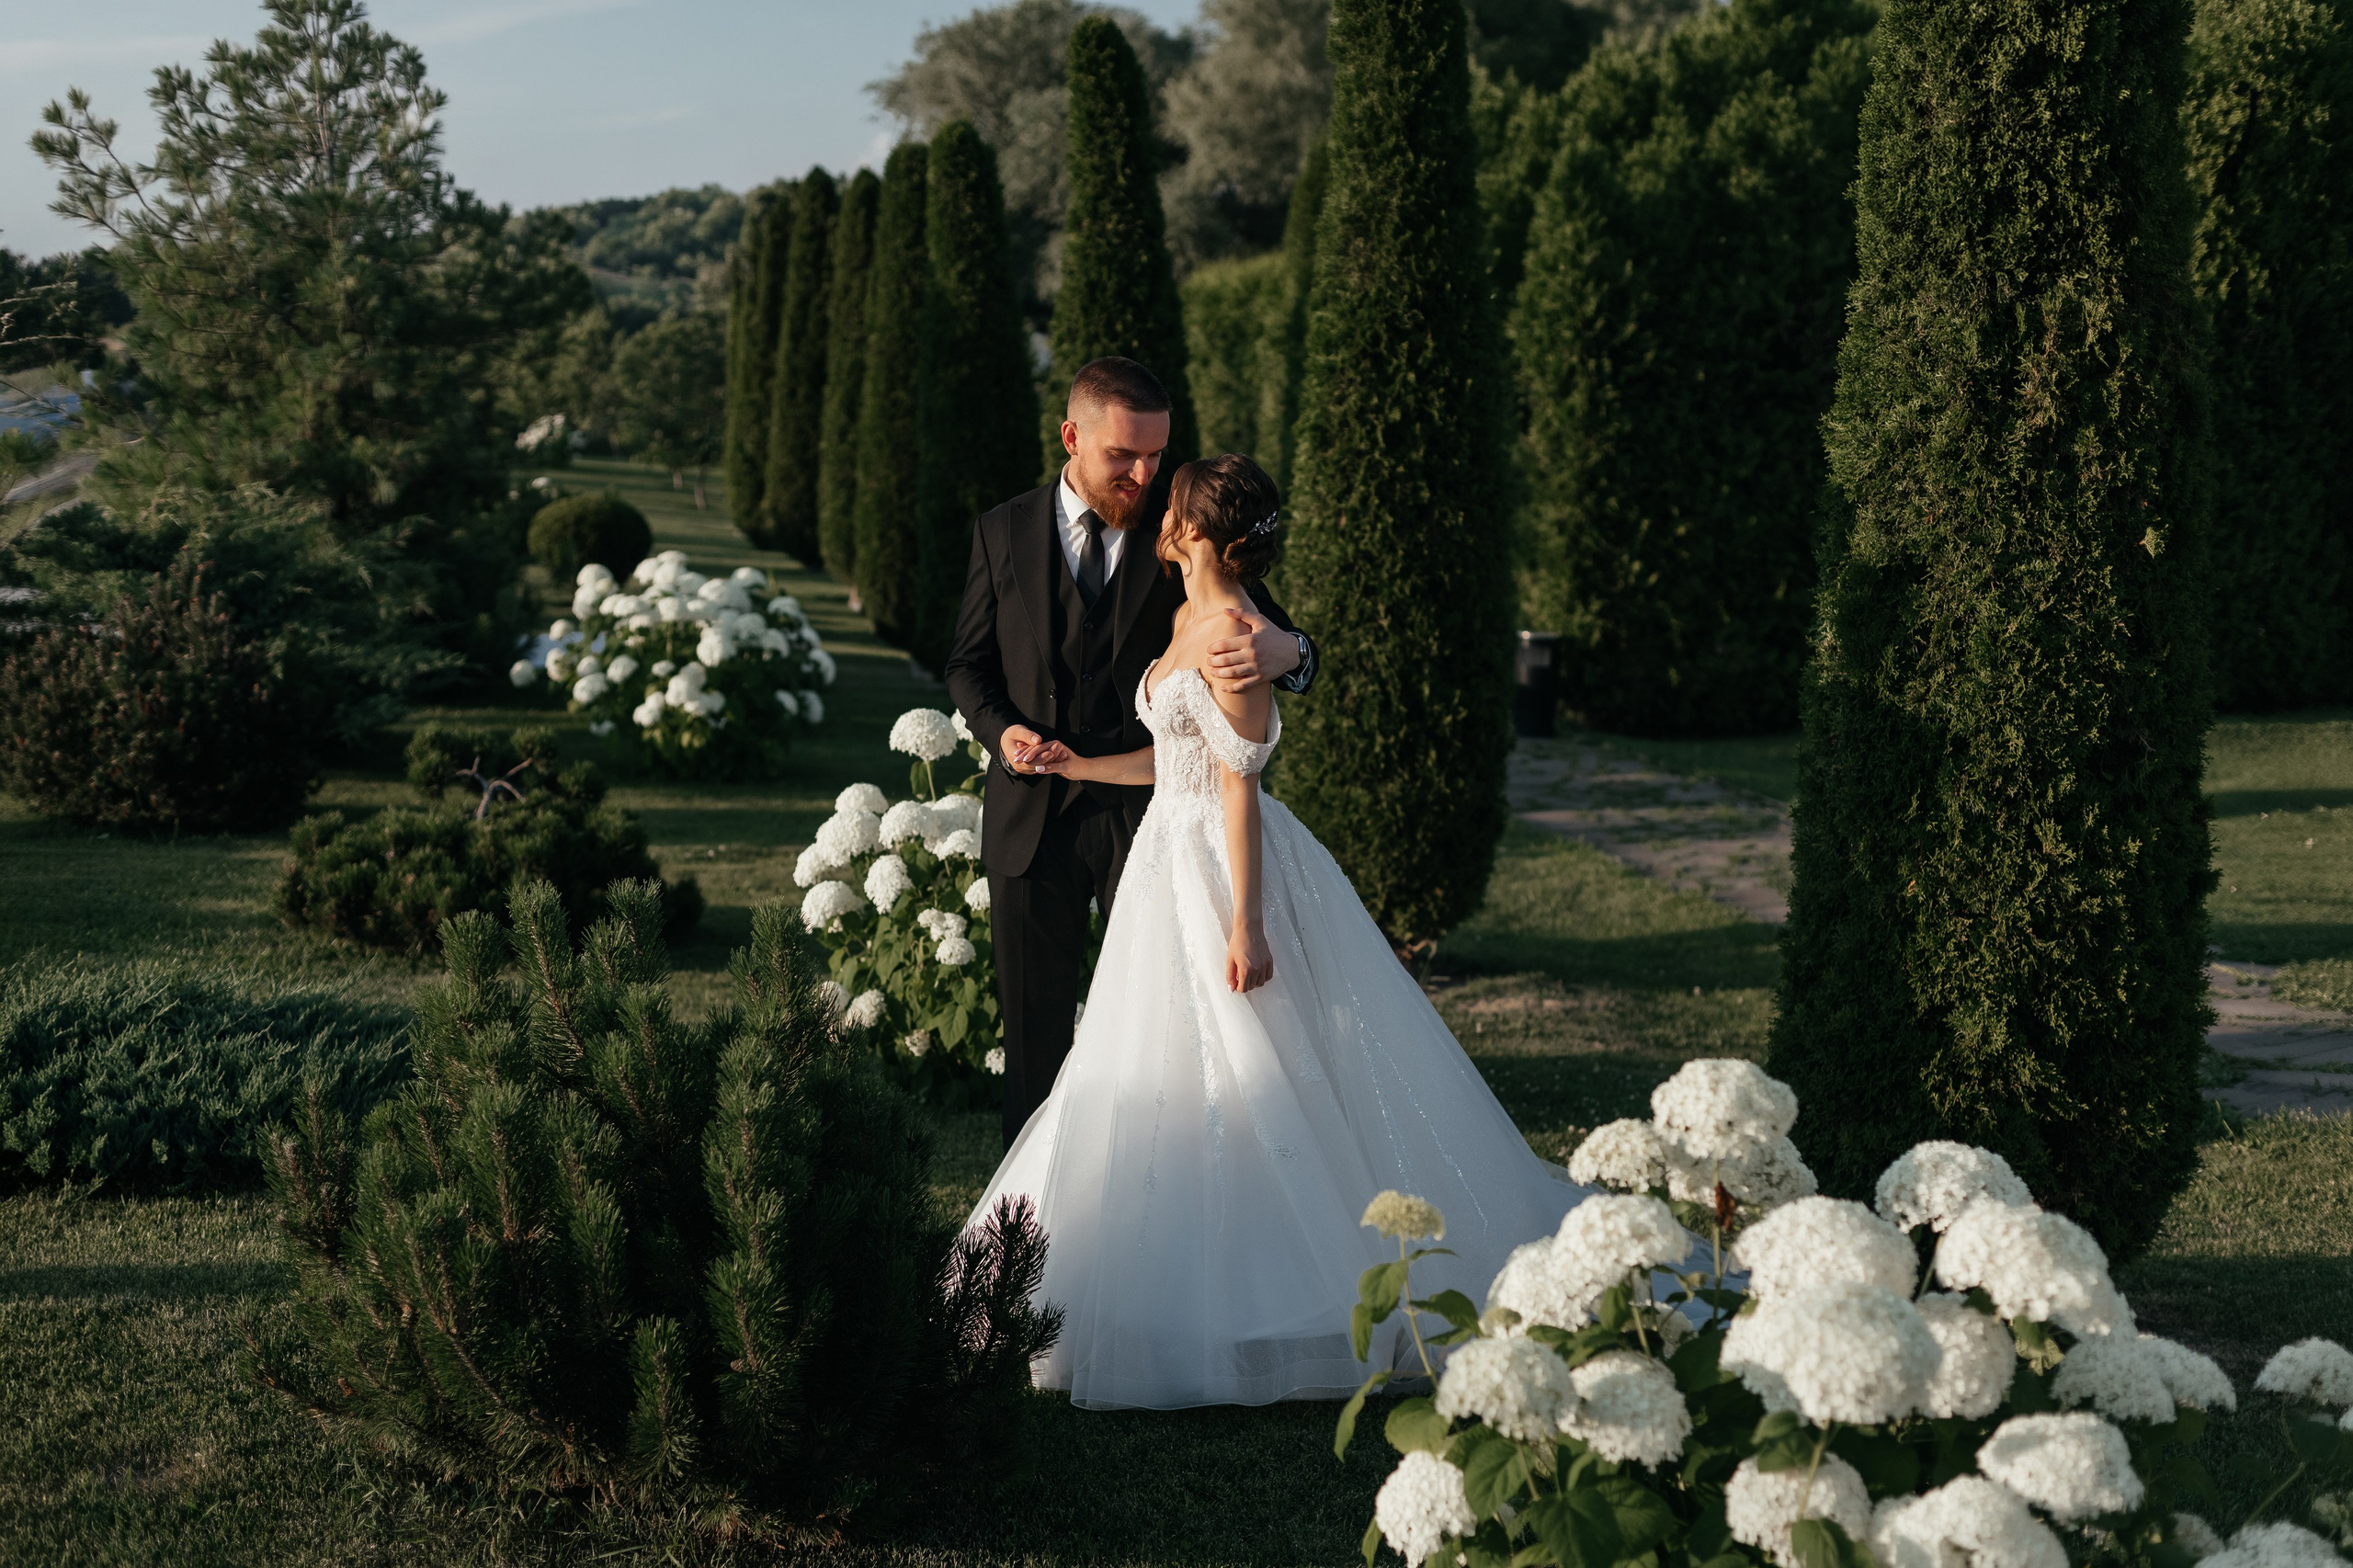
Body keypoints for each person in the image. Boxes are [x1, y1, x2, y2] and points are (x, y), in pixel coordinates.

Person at [961, 453, 1590, 1411]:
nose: (1161, 518)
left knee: (1259, 1059)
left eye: (1174, 511)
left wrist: (1246, 922)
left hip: (1222, 867)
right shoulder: (1183, 617)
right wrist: (1075, 766)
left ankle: (1288, 1284)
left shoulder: (1235, 633)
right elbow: (1173, 760)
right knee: (1153, 1062)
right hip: (1166, 861)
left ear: (1200, 534)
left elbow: (1236, 784)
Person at [945, 357, 1317, 1151]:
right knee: (1033, 1047)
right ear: (1073, 436)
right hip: (1029, 819)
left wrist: (1292, 654)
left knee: (1161, 1042)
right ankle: (1024, 1244)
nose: (1144, 474)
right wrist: (1001, 729)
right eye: (1124, 455)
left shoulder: (1185, 530)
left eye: (1156, 454)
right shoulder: (1002, 529)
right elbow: (966, 664)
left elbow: (1276, 632)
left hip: (1150, 825)